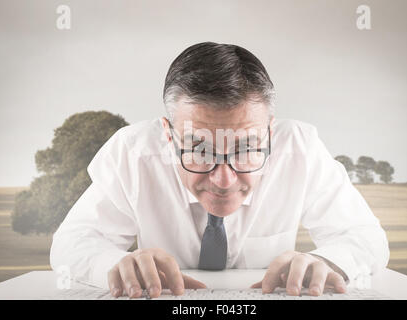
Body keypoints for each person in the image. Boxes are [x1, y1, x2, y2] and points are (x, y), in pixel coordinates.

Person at [50, 42, 389, 299]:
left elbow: (366, 237)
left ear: (270, 133)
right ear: (168, 136)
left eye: (246, 149)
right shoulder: (133, 153)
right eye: (198, 149)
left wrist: (328, 261)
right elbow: (72, 243)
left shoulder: (301, 148)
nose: (224, 180)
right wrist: (115, 265)